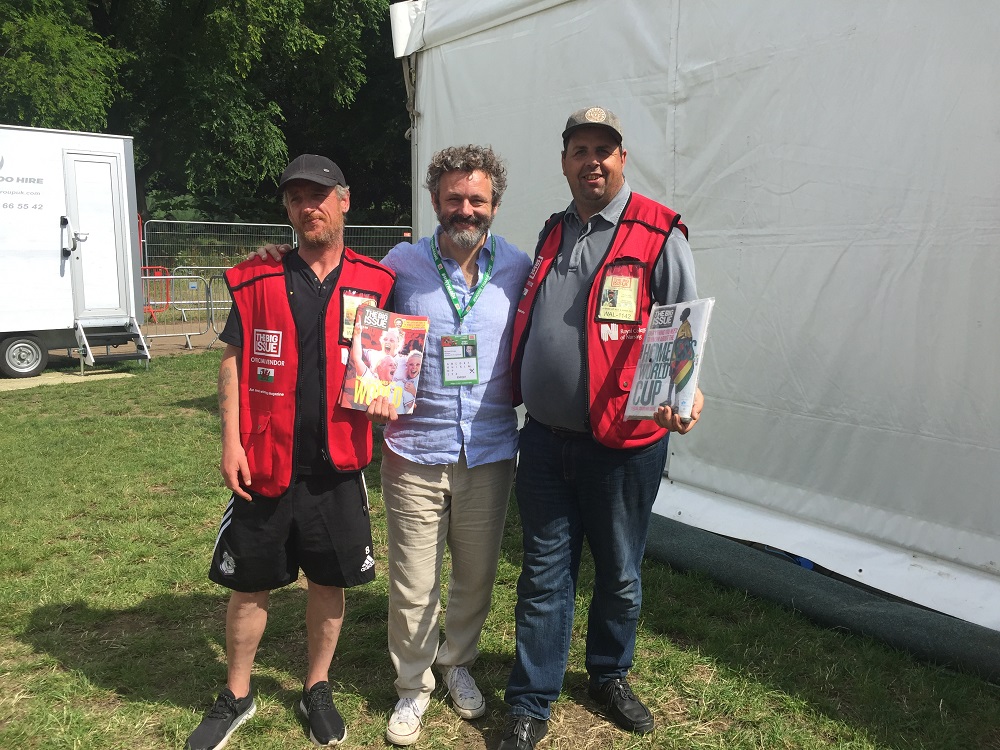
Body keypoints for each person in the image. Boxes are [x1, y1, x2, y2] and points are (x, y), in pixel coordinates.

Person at [498, 107, 705, 750]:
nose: (592, 160)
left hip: (623, 445)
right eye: (579, 149)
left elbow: (682, 327)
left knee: (619, 571)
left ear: (623, 159)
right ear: (564, 162)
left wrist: (684, 394)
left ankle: (609, 674)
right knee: (543, 573)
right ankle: (532, 699)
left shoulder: (657, 232)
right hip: (544, 442)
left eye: (604, 150)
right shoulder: (552, 232)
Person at [186, 154, 395, 750]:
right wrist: (230, 440)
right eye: (297, 197)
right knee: (248, 584)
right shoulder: (255, 278)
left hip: (339, 462)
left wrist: (387, 395)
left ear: (345, 200)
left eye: (320, 195)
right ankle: (237, 693)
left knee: (328, 582)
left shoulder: (378, 280)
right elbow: (230, 358)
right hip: (265, 459)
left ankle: (317, 686)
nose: (310, 207)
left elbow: (390, 360)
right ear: (287, 208)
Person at [369, 145, 531, 745]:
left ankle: (456, 661)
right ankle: (413, 685)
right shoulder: (403, 263)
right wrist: (373, 387)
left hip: (489, 449)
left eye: (478, 199)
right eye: (455, 198)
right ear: (435, 200)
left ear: (493, 204)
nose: (466, 209)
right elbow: (363, 324)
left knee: (477, 572)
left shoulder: (517, 267)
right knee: (413, 578)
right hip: (413, 447)